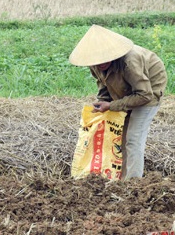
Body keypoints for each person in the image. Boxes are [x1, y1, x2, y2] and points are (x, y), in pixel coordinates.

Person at [69, 25, 167, 179]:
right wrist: (103, 101)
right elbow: (103, 84)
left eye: (104, 58)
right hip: (125, 90)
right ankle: (122, 178)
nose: (100, 63)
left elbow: (144, 95)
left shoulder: (130, 62)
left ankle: (134, 184)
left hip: (148, 91)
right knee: (120, 138)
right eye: (96, 60)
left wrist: (112, 105)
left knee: (133, 138)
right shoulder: (95, 63)